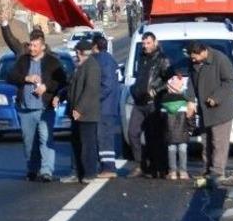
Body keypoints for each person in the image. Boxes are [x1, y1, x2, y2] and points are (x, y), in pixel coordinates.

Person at [5, 30, 66, 182]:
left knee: (45, 139)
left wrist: (47, 87)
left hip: (44, 108)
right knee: (28, 141)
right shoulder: (23, 60)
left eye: (35, 45)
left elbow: (62, 81)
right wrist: (26, 77)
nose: (31, 48)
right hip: (25, 109)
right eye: (31, 45)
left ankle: (46, 171)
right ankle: (32, 169)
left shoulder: (53, 62)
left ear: (43, 46)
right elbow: (10, 76)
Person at [185, 41, 233, 184]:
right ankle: (207, 169)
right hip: (204, 109)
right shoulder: (194, 63)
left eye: (194, 57)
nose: (193, 60)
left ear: (202, 52)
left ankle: (217, 171)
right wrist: (190, 100)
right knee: (206, 141)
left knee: (218, 141)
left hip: (220, 109)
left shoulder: (220, 59)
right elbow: (190, 82)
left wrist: (216, 97)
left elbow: (230, 80)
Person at [127, 31, 172, 178]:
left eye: (148, 43)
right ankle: (140, 164)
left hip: (153, 102)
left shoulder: (162, 59)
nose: (145, 46)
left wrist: (156, 90)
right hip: (139, 102)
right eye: (144, 43)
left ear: (155, 42)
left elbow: (169, 80)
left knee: (153, 136)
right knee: (133, 133)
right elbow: (140, 77)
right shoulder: (142, 57)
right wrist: (134, 89)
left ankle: (157, 167)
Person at [67, 41, 101, 183]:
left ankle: (90, 172)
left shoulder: (92, 66)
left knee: (88, 145)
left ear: (82, 52)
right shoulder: (80, 66)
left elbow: (90, 90)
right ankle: (77, 172)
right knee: (76, 143)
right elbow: (72, 85)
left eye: (78, 53)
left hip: (87, 113)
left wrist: (79, 109)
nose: (77, 55)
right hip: (76, 112)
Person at [92, 35, 122, 178]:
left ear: (95, 46)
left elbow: (106, 85)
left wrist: (93, 99)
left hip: (104, 106)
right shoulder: (111, 59)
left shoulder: (101, 61)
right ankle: (107, 166)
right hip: (111, 105)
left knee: (104, 137)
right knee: (105, 136)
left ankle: (108, 168)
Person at [161, 74, 191, 180]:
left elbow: (162, 119)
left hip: (169, 132)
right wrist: (191, 130)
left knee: (171, 149)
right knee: (183, 149)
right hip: (183, 131)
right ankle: (183, 172)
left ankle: (172, 172)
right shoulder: (185, 101)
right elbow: (190, 118)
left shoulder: (164, 102)